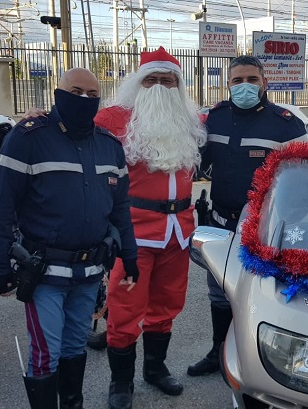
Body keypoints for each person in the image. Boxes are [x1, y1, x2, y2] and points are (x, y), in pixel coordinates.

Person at [0, 68, 140, 409]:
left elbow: (120, 207)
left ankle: (73, 404)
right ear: (57, 93)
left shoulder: (109, 146)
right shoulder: (28, 138)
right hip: (44, 274)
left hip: (88, 272)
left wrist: (130, 255)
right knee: (46, 353)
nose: (83, 99)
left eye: (91, 94)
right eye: (75, 91)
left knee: (74, 347)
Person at [94, 47, 207, 408]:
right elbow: (68, 130)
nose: (160, 85)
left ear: (179, 85)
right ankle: (120, 383)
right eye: (152, 79)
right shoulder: (112, 119)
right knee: (125, 308)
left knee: (167, 304)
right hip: (134, 232)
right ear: (138, 84)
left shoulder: (193, 120)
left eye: (167, 79)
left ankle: (154, 370)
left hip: (179, 230)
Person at [188, 55, 307, 377]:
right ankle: (218, 353)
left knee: (266, 293)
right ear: (227, 84)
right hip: (220, 221)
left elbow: (304, 179)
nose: (244, 86)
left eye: (251, 80)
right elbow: (193, 162)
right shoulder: (213, 119)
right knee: (219, 290)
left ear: (265, 83)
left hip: (267, 227)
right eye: (237, 80)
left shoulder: (285, 123)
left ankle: (260, 361)